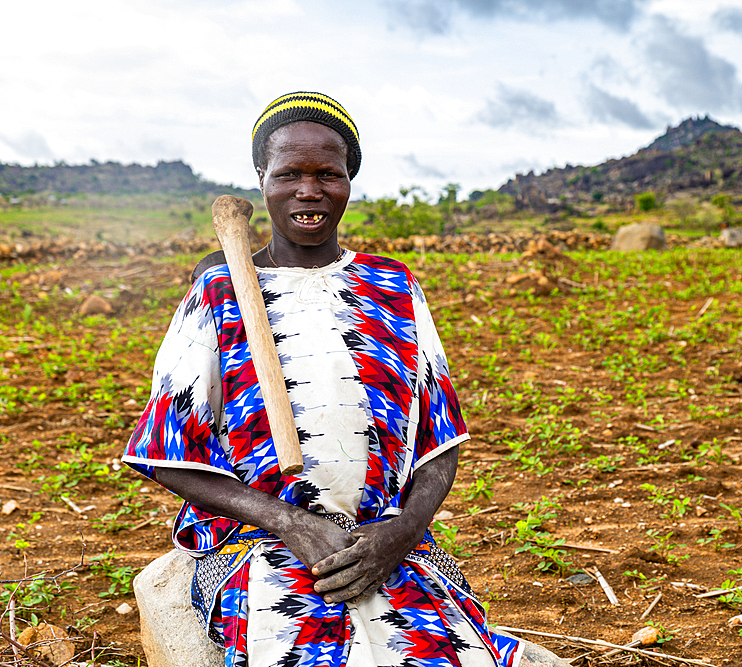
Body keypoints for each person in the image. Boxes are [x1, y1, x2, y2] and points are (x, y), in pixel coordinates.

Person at [123, 92, 525, 667]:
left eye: (327, 174)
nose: (308, 190)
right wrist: (288, 521)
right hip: (259, 546)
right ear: (262, 180)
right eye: (288, 174)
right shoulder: (219, 293)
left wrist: (401, 534)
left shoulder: (393, 288)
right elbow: (165, 452)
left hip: (381, 541)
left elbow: (440, 446)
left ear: (349, 181)